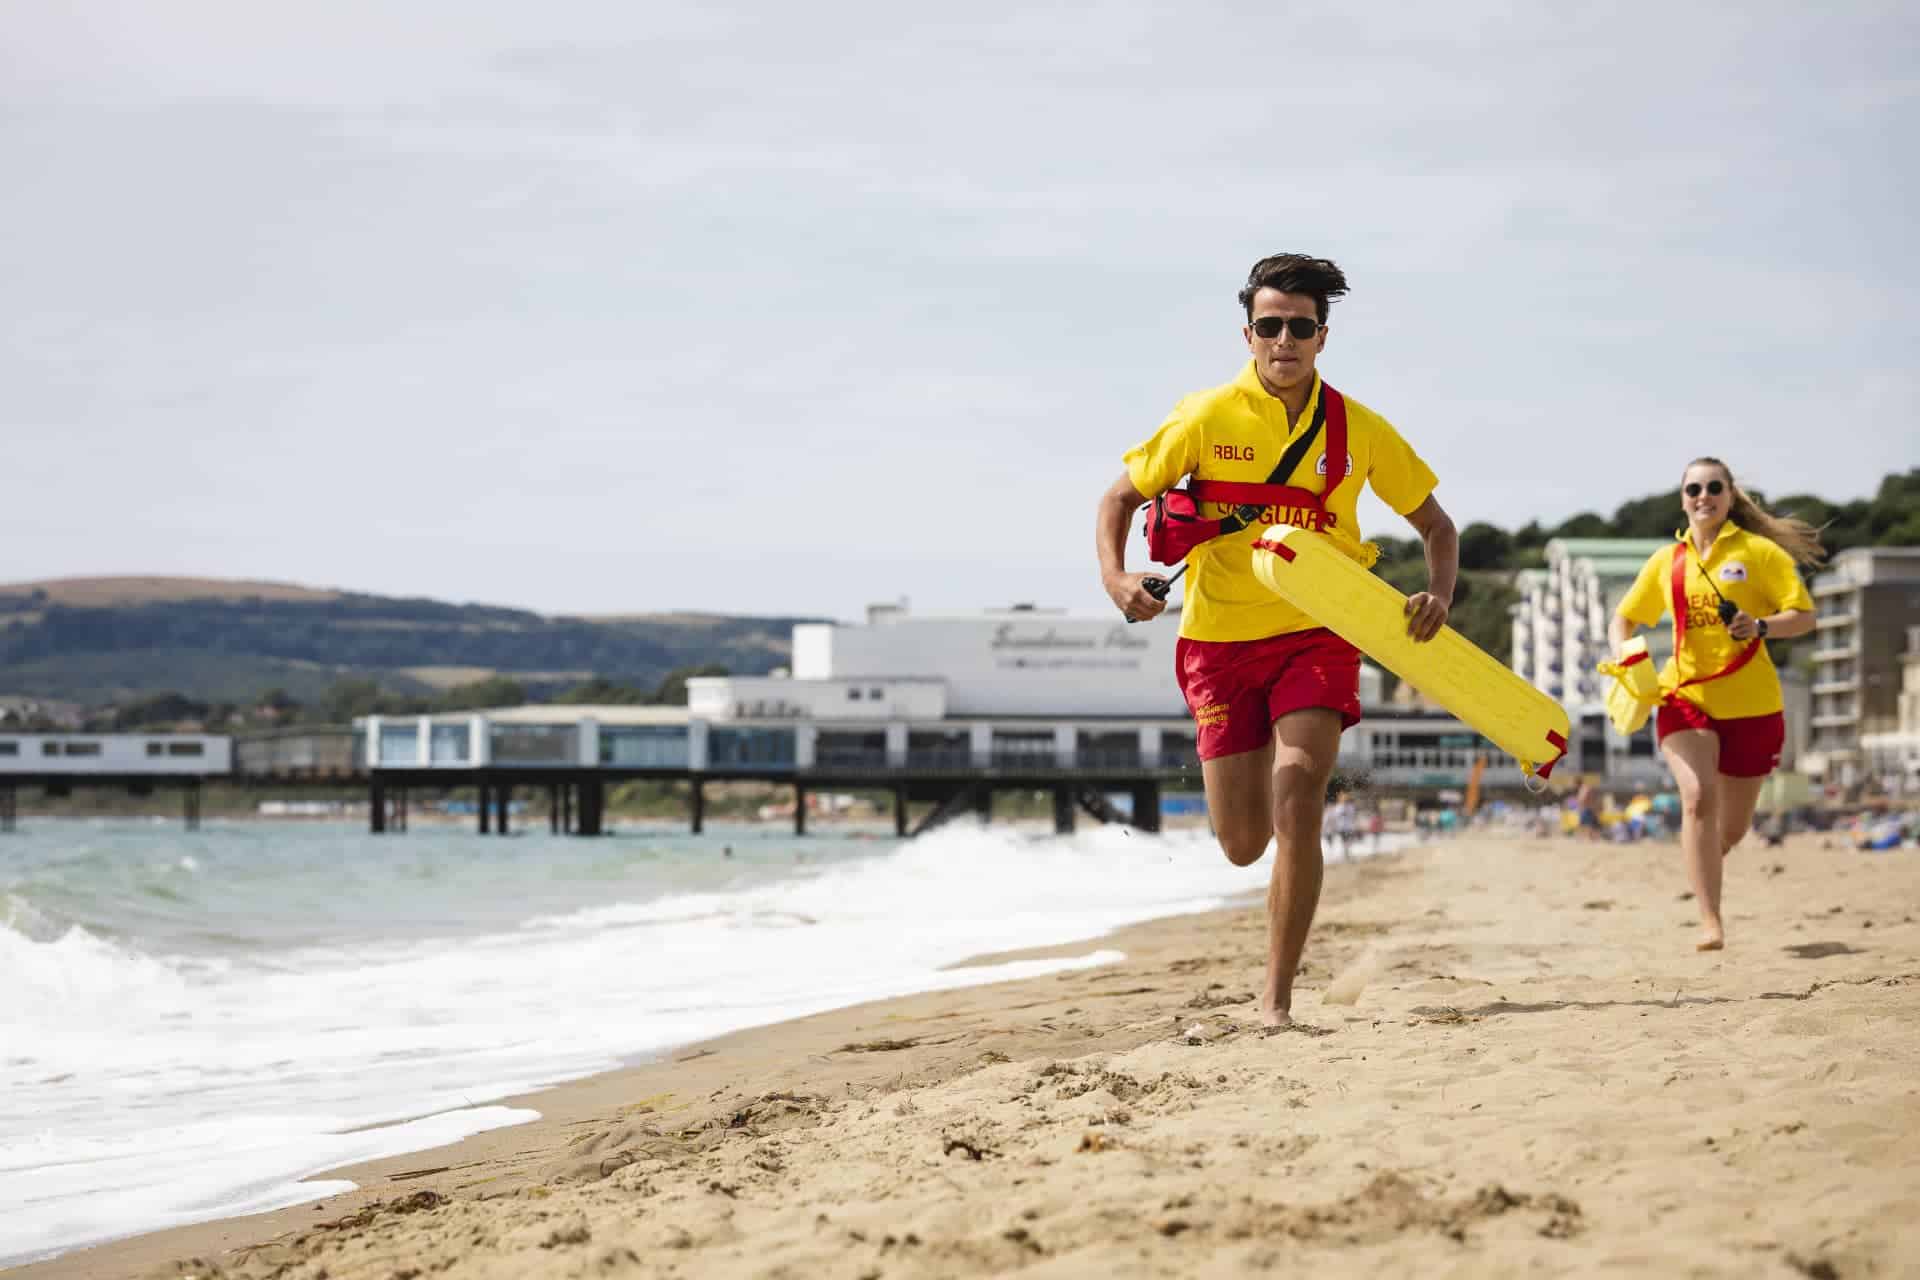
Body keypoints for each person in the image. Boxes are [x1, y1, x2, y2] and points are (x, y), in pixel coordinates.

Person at [1094, 254, 1457, 1028]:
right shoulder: (1205, 414)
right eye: (1270, 326)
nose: (1283, 340)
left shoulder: (1359, 427)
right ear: (1248, 332)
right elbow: (1121, 496)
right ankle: (1255, 810)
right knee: (1241, 844)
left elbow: (1436, 525)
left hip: (1318, 632)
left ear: (1322, 336)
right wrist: (1116, 578)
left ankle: (1276, 1001)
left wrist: (1440, 594)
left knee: (1299, 796)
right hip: (1218, 641)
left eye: (1299, 327)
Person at [1608, 457, 1821, 951]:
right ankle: (1711, 921)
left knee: (1732, 828)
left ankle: (1705, 863)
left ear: (1728, 496)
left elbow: (1804, 616)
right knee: (1698, 796)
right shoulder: (1666, 562)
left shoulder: (1759, 553)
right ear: (1683, 499)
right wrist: (1624, 654)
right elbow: (1625, 617)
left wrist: (1762, 625)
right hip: (1684, 696)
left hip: (1753, 704)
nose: (1703, 495)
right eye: (1693, 488)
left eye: (1713, 487)